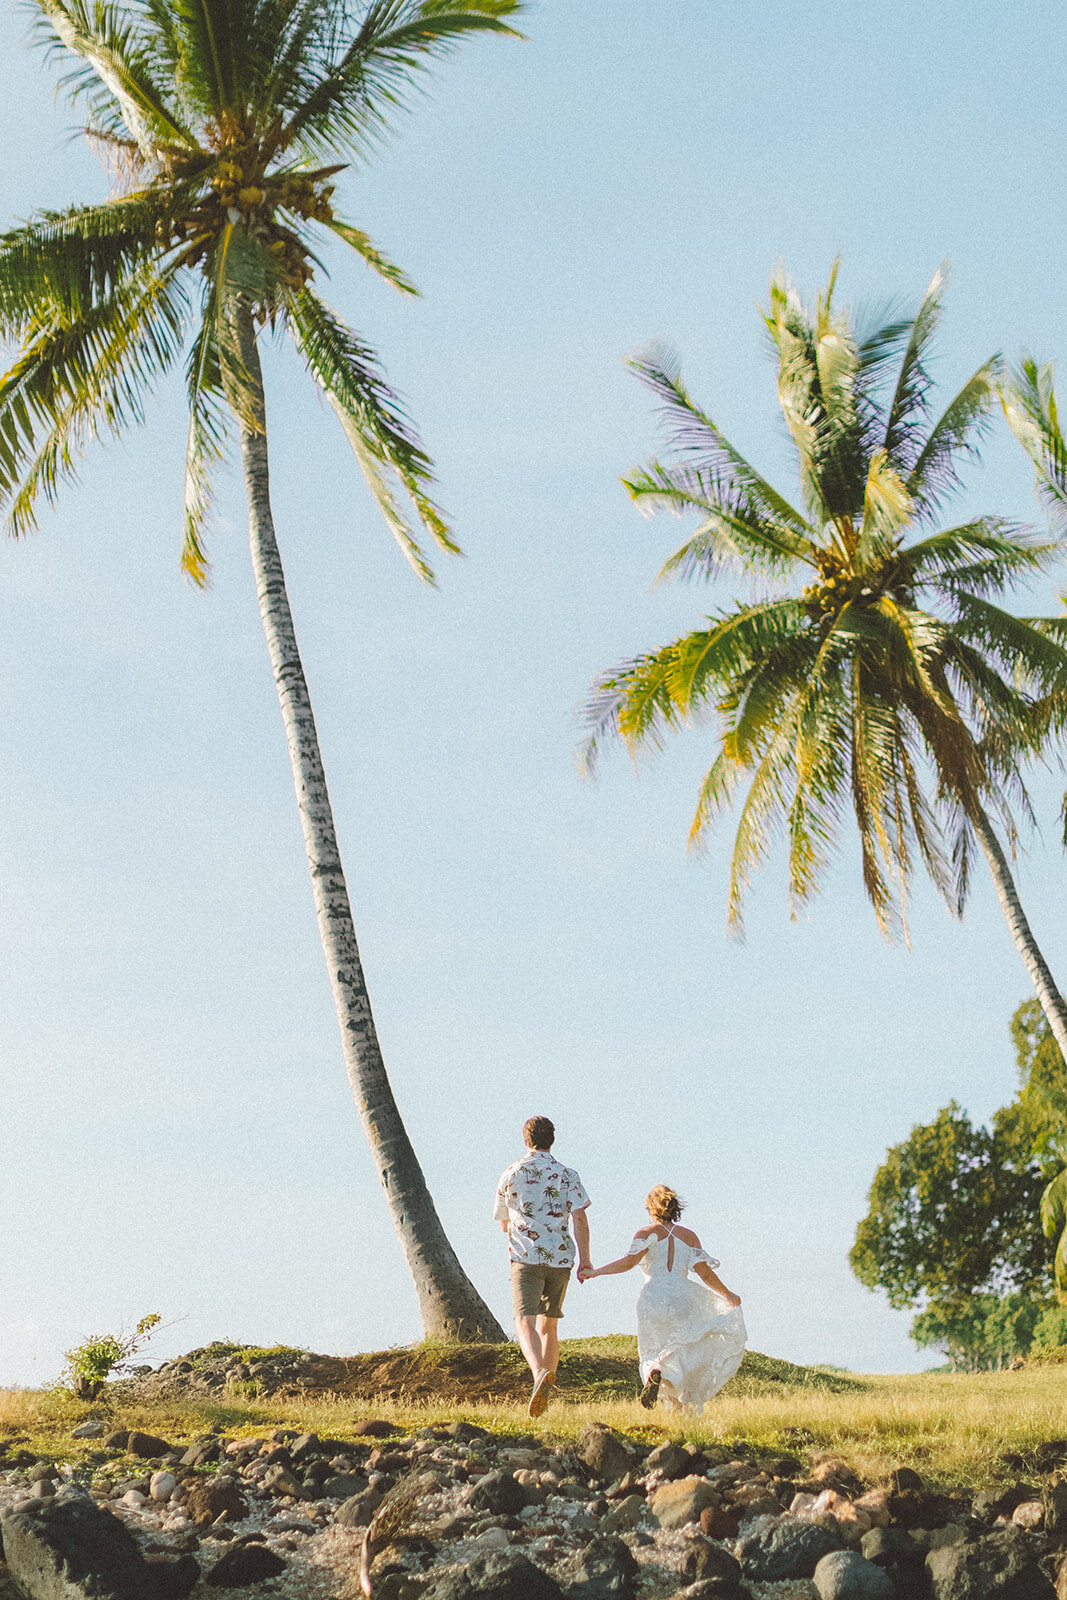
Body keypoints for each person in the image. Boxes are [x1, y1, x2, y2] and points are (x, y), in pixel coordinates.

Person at [579, 1183, 745, 1411]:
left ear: (652, 1208)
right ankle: (680, 1399)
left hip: (653, 1297)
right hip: (683, 1296)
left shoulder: (646, 1234)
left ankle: (656, 1371)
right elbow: (705, 1273)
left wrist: (596, 1272)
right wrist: (728, 1294)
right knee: (683, 1347)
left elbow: (628, 1262)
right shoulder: (689, 1236)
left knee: (652, 1349)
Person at [493, 1116, 591, 1418]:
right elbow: (580, 1218)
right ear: (552, 1140)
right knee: (550, 1325)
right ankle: (546, 1388)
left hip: (526, 1257)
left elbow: (503, 1221)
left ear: (526, 1140)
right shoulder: (568, 1174)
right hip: (561, 1259)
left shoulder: (511, 1173)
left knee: (524, 1321)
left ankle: (538, 1375)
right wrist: (585, 1260)